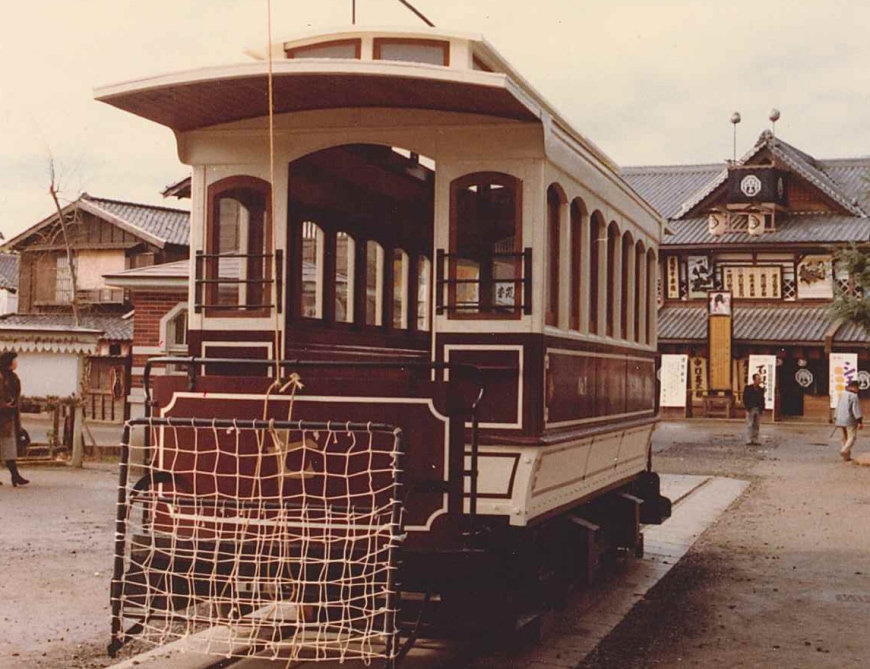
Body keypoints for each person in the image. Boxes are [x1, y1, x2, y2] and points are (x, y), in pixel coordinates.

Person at [0, 351, 29, 486]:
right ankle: (15, 475)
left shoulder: (13, 378)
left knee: (8, 446)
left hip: (8, 418)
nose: (16, 363)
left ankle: (15, 475)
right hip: (3, 416)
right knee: (6, 446)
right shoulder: (1, 378)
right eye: (14, 360)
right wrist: (5, 405)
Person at [834, 379, 863, 462]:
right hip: (850, 420)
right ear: (854, 387)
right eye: (857, 388)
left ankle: (846, 457)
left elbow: (837, 407)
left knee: (844, 438)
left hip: (840, 419)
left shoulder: (842, 394)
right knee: (852, 437)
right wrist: (859, 421)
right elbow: (856, 409)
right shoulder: (854, 396)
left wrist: (836, 417)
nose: (858, 390)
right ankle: (844, 450)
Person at [743, 373, 765, 445]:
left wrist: (763, 408)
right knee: (750, 424)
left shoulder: (761, 389)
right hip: (750, 408)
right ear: (754, 380)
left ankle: (755, 439)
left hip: (758, 408)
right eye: (758, 379)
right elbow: (745, 398)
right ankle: (749, 439)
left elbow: (762, 399)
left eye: (760, 379)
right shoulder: (748, 388)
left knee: (756, 425)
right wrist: (747, 406)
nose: (759, 381)